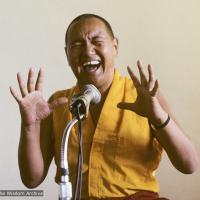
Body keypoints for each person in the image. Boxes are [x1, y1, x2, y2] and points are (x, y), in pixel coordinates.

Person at [10, 13, 198, 200]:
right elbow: (31, 179)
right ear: (67, 54)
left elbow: (189, 164)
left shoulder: (143, 96)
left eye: (97, 41)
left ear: (115, 46)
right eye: (76, 45)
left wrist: (159, 118)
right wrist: (29, 126)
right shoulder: (58, 103)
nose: (87, 50)